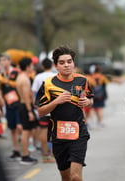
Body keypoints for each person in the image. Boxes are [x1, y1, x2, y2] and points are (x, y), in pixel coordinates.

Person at [36, 45, 93, 181]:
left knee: (75, 177)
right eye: (62, 63)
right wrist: (56, 101)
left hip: (79, 134)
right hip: (59, 136)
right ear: (56, 65)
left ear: (73, 63)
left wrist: (87, 102)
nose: (66, 65)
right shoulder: (48, 84)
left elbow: (90, 99)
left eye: (69, 61)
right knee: (66, 178)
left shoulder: (82, 80)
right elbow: (40, 111)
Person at [0, 53, 22, 161]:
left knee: (20, 126)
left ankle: (25, 144)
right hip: (8, 103)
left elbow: (18, 84)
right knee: (12, 129)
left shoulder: (16, 71)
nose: (2, 62)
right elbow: (0, 88)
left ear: (9, 61)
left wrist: (6, 81)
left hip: (18, 103)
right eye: (1, 60)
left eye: (4, 60)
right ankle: (16, 150)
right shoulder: (1, 74)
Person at [32, 58, 56, 163]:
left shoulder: (38, 77)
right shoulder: (56, 76)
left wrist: (36, 106)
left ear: (42, 67)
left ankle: (45, 156)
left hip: (42, 108)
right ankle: (54, 155)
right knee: (55, 132)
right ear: (52, 65)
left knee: (43, 131)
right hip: (55, 108)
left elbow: (33, 93)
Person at [16, 57, 38, 165]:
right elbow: (25, 96)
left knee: (27, 131)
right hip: (25, 106)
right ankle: (25, 156)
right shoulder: (24, 79)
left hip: (23, 105)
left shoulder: (20, 77)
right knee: (26, 131)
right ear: (28, 66)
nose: (33, 67)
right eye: (32, 65)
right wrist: (30, 111)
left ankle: (26, 154)